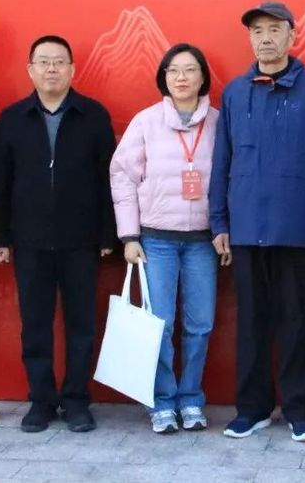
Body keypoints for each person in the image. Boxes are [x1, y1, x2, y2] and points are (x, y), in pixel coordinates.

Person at [209, 0, 305, 442]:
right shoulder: (235, 92)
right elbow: (222, 161)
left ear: (292, 36)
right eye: (257, 31)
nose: (265, 38)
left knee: (297, 322)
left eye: (274, 30)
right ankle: (252, 408)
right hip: (245, 228)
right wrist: (219, 222)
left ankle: (300, 410)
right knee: (251, 323)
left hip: (295, 229)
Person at [0, 35, 116, 434]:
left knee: (82, 325)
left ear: (72, 69)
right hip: (29, 241)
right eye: (43, 62)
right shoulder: (13, 118)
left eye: (59, 62)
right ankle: (41, 400)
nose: (51, 69)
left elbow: (109, 178)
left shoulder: (93, 115)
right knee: (35, 324)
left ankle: (76, 400)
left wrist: (108, 234)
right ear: (30, 70)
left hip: (81, 240)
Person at [110, 43, 219, 434]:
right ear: (164, 77)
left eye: (190, 70)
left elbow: (232, 178)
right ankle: (161, 401)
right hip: (156, 240)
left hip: (203, 241)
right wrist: (129, 235)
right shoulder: (146, 122)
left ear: (203, 77)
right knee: (159, 324)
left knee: (200, 324)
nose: (182, 77)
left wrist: (225, 231)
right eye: (173, 70)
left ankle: (191, 398)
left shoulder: (219, 123)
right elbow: (122, 176)